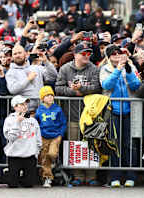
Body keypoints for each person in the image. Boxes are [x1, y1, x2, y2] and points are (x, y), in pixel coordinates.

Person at [55, 41, 102, 186]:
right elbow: (58, 88)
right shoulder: (64, 69)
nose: (87, 56)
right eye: (83, 53)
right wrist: (73, 91)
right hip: (72, 113)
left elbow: (97, 87)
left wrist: (81, 89)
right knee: (75, 145)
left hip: (91, 115)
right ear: (75, 54)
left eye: (89, 53)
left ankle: (91, 176)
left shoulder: (94, 69)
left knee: (91, 145)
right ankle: (78, 176)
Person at [100, 44, 141, 187]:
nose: (117, 56)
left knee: (130, 145)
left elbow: (136, 85)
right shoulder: (104, 69)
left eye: (120, 53)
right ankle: (114, 177)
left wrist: (128, 69)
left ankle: (131, 176)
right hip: (113, 111)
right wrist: (117, 70)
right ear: (109, 57)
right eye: (114, 54)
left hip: (130, 111)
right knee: (114, 144)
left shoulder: (131, 67)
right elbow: (106, 85)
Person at [3, 95, 42, 188]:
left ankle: (22, 177)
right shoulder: (9, 119)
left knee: (29, 184)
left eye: (25, 104)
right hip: (15, 155)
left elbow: (38, 136)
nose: (25, 106)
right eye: (21, 104)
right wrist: (18, 122)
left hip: (29, 155)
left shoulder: (32, 120)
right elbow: (10, 137)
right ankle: (9, 173)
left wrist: (37, 151)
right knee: (12, 184)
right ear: (15, 107)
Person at [35, 86, 66, 188]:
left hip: (55, 136)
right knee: (44, 157)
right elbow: (36, 123)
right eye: (47, 96)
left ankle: (54, 164)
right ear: (42, 98)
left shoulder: (58, 109)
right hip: (43, 135)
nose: (50, 97)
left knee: (52, 153)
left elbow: (63, 122)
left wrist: (60, 134)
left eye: (51, 95)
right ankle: (47, 177)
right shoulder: (39, 110)